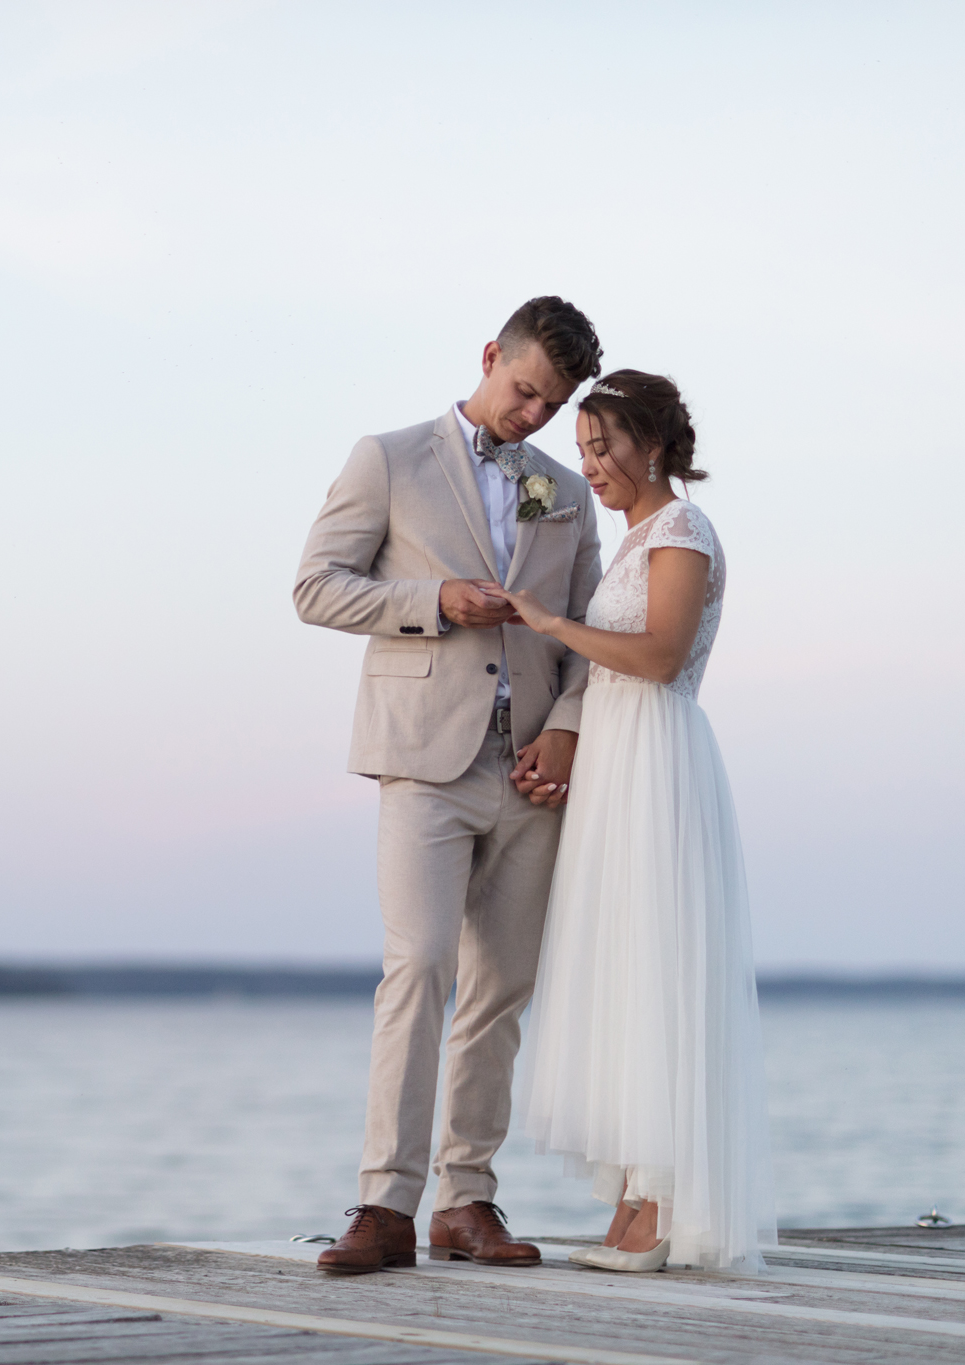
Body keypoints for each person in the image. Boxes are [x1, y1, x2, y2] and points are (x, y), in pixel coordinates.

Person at [293, 297, 605, 1274]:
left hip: (530, 776)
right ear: (486, 358)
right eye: (521, 392)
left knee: (500, 990)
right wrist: (431, 602)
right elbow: (314, 586)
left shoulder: (564, 491)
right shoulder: (385, 458)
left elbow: (593, 627)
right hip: (424, 761)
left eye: (550, 406)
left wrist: (564, 731)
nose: (530, 418)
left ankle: (464, 1203)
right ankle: (383, 1206)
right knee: (418, 966)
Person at [491, 370, 777, 1273]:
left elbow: (656, 655)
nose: (592, 464)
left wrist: (549, 622)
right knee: (618, 966)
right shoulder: (628, 543)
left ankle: (661, 1207)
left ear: (651, 443)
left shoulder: (683, 530)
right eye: (582, 449)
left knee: (655, 964)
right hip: (615, 768)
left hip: (657, 764)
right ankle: (633, 1192)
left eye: (605, 445)